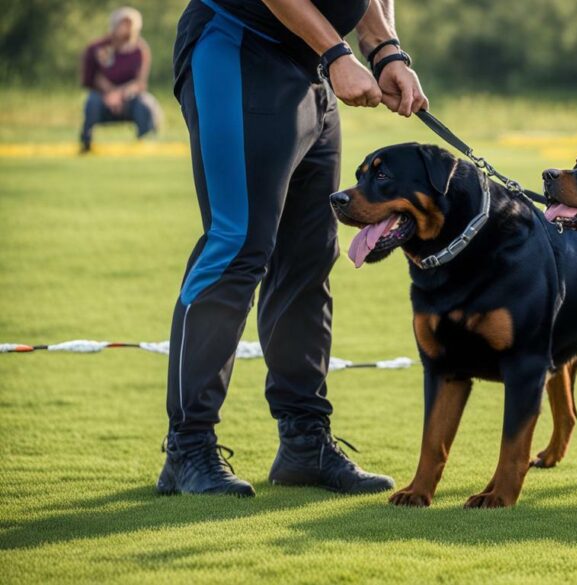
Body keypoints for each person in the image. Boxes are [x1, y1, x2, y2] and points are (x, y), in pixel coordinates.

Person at [156, 0, 428, 498]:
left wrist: (387, 51)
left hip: (310, 67)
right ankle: (187, 447)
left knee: (308, 258)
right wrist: (336, 52)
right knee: (236, 244)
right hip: (240, 49)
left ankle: (304, 441)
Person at [80, 7, 163, 153]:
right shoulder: (98, 48)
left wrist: (120, 94)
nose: (128, 29)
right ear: (114, 25)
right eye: (124, 24)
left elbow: (140, 82)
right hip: (103, 96)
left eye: (131, 25)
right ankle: (86, 141)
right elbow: (93, 77)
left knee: (146, 104)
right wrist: (110, 93)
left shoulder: (140, 50)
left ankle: (144, 143)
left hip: (129, 97)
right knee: (91, 102)